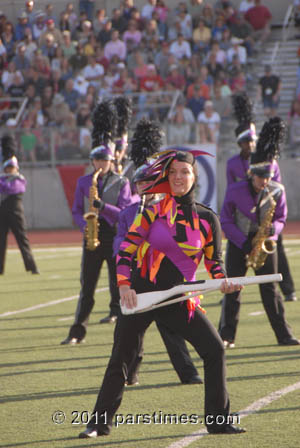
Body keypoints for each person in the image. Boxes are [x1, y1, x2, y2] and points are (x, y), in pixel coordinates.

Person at [78, 146, 246, 438]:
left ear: (195, 176)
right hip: (141, 295)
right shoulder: (151, 210)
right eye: (173, 172)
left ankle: (218, 421)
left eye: (185, 172)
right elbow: (127, 250)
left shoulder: (208, 218)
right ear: (165, 177)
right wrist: (124, 285)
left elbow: (214, 262)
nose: (179, 177)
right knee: (122, 357)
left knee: (215, 348)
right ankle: (98, 423)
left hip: (179, 299)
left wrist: (224, 281)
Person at [113, 119, 203, 385]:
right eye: (141, 184)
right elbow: (120, 243)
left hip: (164, 275)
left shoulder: (169, 210)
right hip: (136, 278)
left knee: (171, 328)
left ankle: (188, 373)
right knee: (131, 332)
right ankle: (129, 374)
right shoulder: (129, 213)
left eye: (149, 183)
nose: (145, 188)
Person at [219, 117, 300, 348]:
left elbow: (282, 217)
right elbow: (225, 219)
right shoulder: (235, 190)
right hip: (240, 243)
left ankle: (284, 335)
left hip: (263, 242)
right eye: (260, 177)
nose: (264, 182)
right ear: (251, 174)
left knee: (270, 290)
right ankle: (226, 336)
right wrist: (243, 242)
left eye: (268, 177)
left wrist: (273, 233)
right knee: (233, 289)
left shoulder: (276, 190)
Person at [61, 100, 133, 345]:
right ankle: (76, 332)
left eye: (105, 160)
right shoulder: (84, 182)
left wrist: (103, 207)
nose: (101, 164)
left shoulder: (122, 183)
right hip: (92, 238)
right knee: (87, 289)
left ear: (112, 161)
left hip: (114, 237)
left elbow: (124, 212)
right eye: (98, 160)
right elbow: (76, 210)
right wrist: (85, 228)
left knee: (118, 284)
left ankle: (124, 331)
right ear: (92, 161)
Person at [227, 93, 297, 302]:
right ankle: (232, 292)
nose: (250, 145)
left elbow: (275, 186)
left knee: (278, 250)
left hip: (268, 213)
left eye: (252, 140)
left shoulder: (266, 161)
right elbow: (233, 189)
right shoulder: (232, 164)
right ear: (239, 143)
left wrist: (272, 225)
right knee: (237, 256)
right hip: (245, 216)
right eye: (246, 142)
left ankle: (287, 289)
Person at [0, 134, 39, 275]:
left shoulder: (20, 179)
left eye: (12, 167)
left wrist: (4, 183)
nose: (10, 170)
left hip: (16, 212)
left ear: (16, 168)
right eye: (8, 168)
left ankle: (32, 267)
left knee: (22, 240)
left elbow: (14, 189)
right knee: (0, 242)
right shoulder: (3, 178)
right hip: (2, 212)